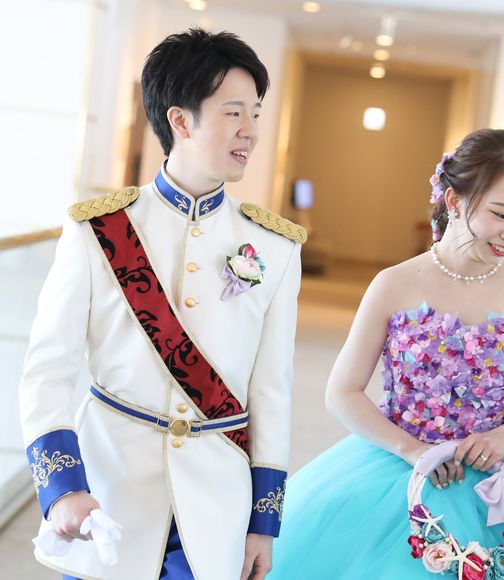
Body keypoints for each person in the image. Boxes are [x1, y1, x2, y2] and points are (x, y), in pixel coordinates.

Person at [20, 28, 306, 580]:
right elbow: (47, 371)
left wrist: (262, 523)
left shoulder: (275, 247)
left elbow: (272, 391)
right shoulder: (98, 231)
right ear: (180, 120)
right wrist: (63, 489)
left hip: (217, 503)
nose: (250, 131)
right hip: (109, 494)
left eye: (255, 114)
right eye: (233, 113)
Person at [270, 128, 504, 579]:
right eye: (500, 214)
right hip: (399, 464)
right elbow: (342, 392)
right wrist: (412, 450)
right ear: (454, 200)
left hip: (497, 479)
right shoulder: (394, 284)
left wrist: (503, 438)